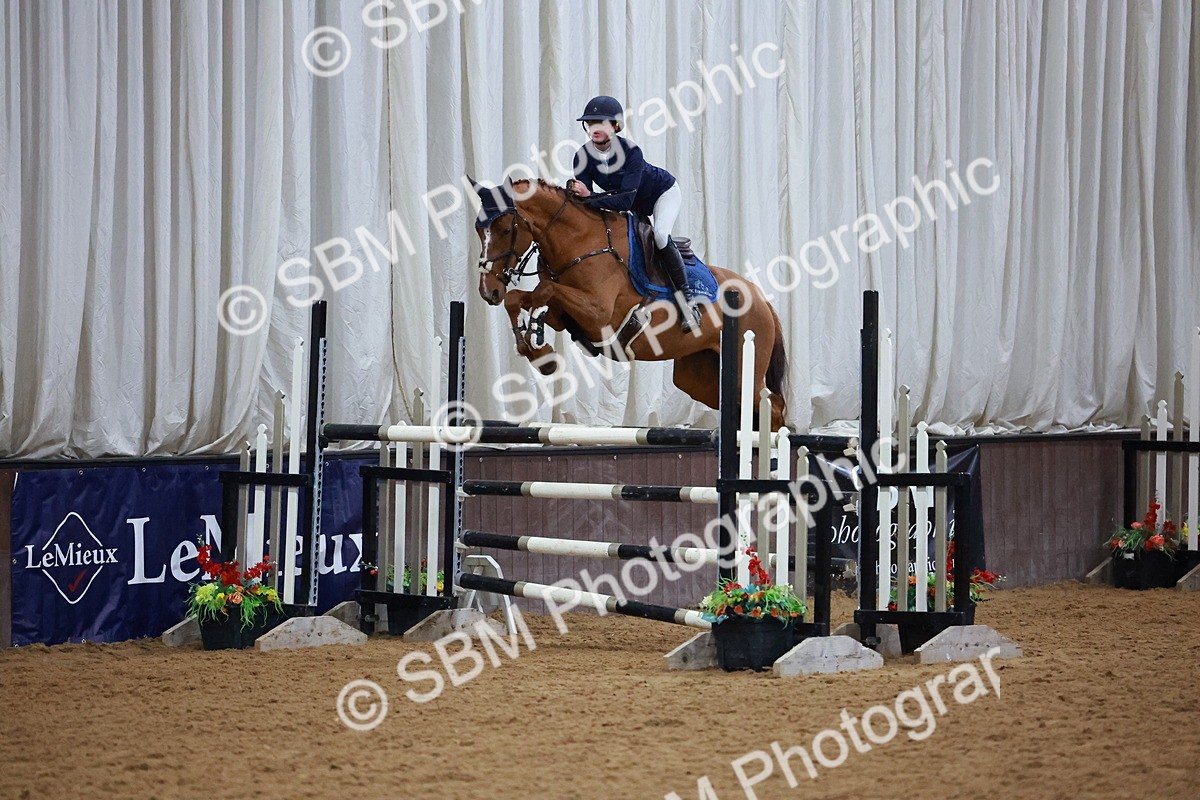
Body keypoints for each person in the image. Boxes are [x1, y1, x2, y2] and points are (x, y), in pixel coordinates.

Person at [567, 95, 700, 331]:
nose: (595, 128)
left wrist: (590, 197)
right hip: (633, 205)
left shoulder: (631, 152)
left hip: (661, 194)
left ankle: (688, 302)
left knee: (659, 235)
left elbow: (624, 198)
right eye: (591, 123)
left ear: (615, 126)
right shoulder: (582, 157)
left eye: (602, 122)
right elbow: (584, 203)